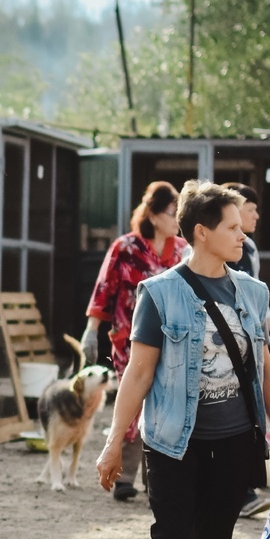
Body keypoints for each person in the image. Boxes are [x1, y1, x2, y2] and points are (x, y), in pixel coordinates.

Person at [97, 181, 270, 539]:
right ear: (201, 233)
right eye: (231, 226)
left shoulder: (252, 292)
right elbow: (138, 374)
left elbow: (265, 369)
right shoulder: (159, 295)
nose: (241, 234)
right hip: (172, 445)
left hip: (234, 444)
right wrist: (115, 442)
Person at [81, 182, 188, 501]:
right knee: (132, 398)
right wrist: (91, 329)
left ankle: (154, 475)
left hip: (172, 340)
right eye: (172, 212)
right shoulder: (125, 247)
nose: (176, 219)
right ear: (154, 215)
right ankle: (124, 475)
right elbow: (104, 288)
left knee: (162, 402)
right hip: (129, 338)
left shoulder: (183, 250)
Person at [221, 182, 270, 366]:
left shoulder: (250, 249)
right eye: (251, 209)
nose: (256, 216)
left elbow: (256, 299)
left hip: (244, 336)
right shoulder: (210, 248)